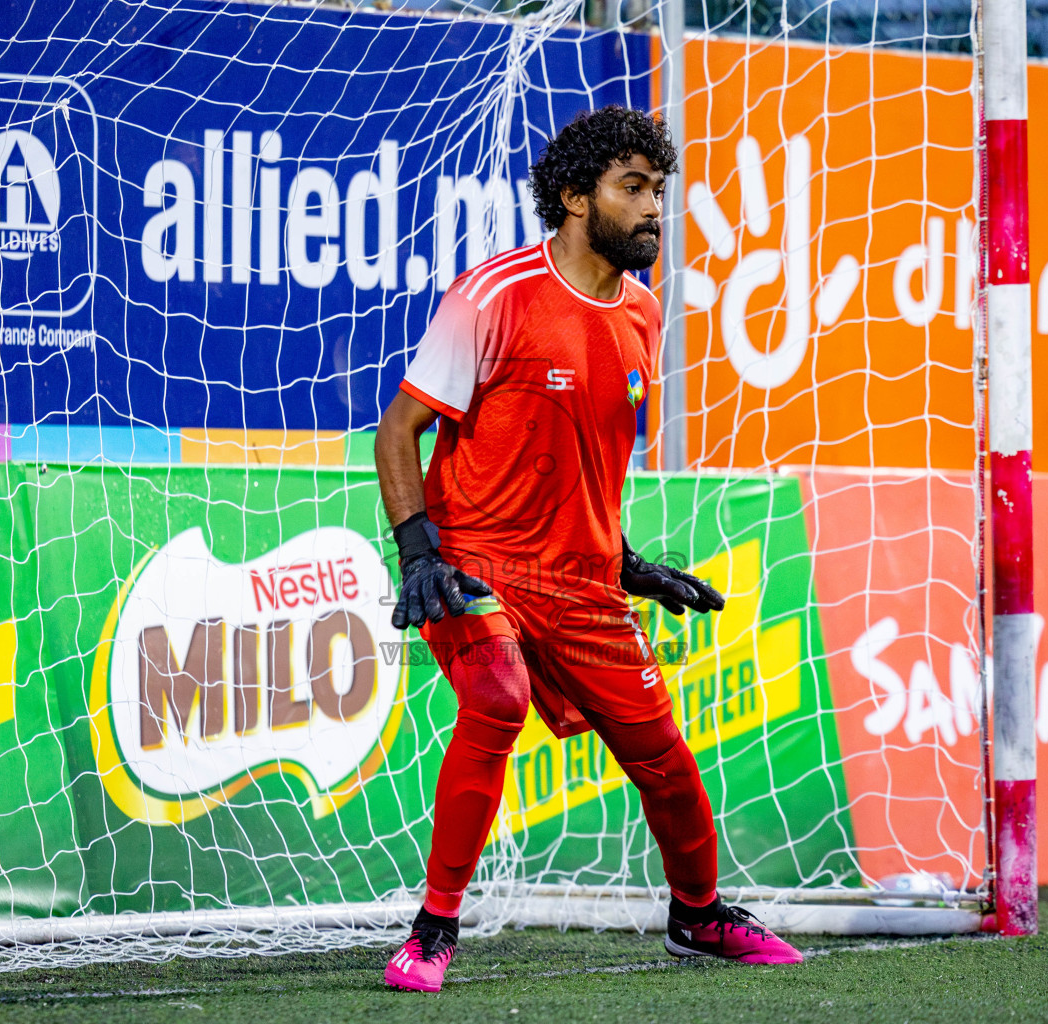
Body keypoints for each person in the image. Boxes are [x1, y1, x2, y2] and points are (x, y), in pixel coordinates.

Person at [374, 105, 804, 994]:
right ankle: (432, 930)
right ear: (575, 197)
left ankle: (698, 915)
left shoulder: (645, 313)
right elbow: (397, 432)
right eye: (634, 189)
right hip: (474, 563)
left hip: (582, 583)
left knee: (667, 761)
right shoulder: (492, 297)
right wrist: (419, 554)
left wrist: (625, 561)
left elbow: (580, 460)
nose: (655, 209)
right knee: (497, 696)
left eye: (659, 190)